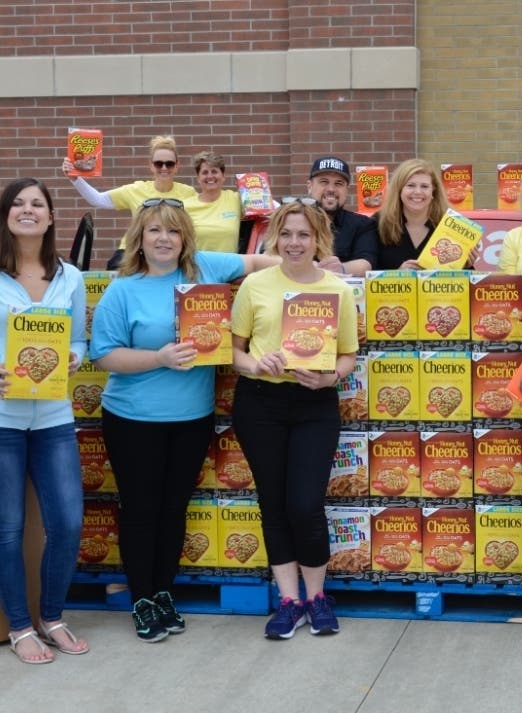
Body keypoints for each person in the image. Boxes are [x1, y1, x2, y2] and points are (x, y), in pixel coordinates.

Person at [90, 198, 279, 643]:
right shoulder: (124, 289)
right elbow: (104, 356)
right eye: (154, 230)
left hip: (192, 418)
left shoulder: (205, 270)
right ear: (139, 237)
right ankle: (142, 597)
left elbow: (259, 259)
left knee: (174, 510)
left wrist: (315, 262)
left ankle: (163, 592)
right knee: (141, 510)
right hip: (134, 418)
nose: (164, 239)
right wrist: (159, 357)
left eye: (173, 231)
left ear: (185, 238)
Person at [230, 201, 358, 640]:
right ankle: (289, 601)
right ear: (275, 238)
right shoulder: (255, 285)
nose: (295, 243)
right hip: (260, 402)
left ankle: (317, 596)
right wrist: (255, 364)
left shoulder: (337, 290)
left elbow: (348, 353)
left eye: (304, 235)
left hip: (314, 406)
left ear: (318, 239)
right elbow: (234, 352)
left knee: (305, 503)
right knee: (274, 503)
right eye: (286, 234)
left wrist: (330, 379)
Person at [0, 179, 88, 664]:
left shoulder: (69, 277)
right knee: (7, 529)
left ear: (52, 218)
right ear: (5, 216)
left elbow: (78, 340)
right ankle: (19, 627)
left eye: (37, 204)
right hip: (2, 420)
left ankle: (52, 617)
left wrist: (74, 358)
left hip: (53, 416)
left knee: (69, 523)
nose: (27, 210)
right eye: (18, 204)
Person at [62, 135, 197, 268]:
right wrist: (75, 179)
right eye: (158, 163)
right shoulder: (136, 189)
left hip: (169, 250)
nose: (164, 168)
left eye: (169, 164)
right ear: (151, 165)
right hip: (133, 250)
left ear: (177, 166)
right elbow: (97, 199)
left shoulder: (189, 193)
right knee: (115, 269)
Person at [305, 156, 379, 276]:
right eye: (324, 182)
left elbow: (367, 262)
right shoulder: (292, 220)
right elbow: (268, 255)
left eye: (338, 183)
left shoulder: (362, 224)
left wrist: (340, 268)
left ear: (346, 190)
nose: (331, 189)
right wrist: (305, 267)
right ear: (310, 186)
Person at [374, 158, 448, 270]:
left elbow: (468, 280)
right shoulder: (378, 223)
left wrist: (465, 264)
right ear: (399, 190)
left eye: (424, 186)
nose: (418, 192)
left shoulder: (450, 224)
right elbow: (367, 274)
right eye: (411, 185)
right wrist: (397, 275)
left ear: (434, 191)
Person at [182, 150, 242, 252]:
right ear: (198, 178)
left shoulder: (236, 199)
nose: (210, 176)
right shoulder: (185, 206)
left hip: (230, 266)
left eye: (214, 171)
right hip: (198, 266)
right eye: (205, 172)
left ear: (223, 176)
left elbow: (266, 210)